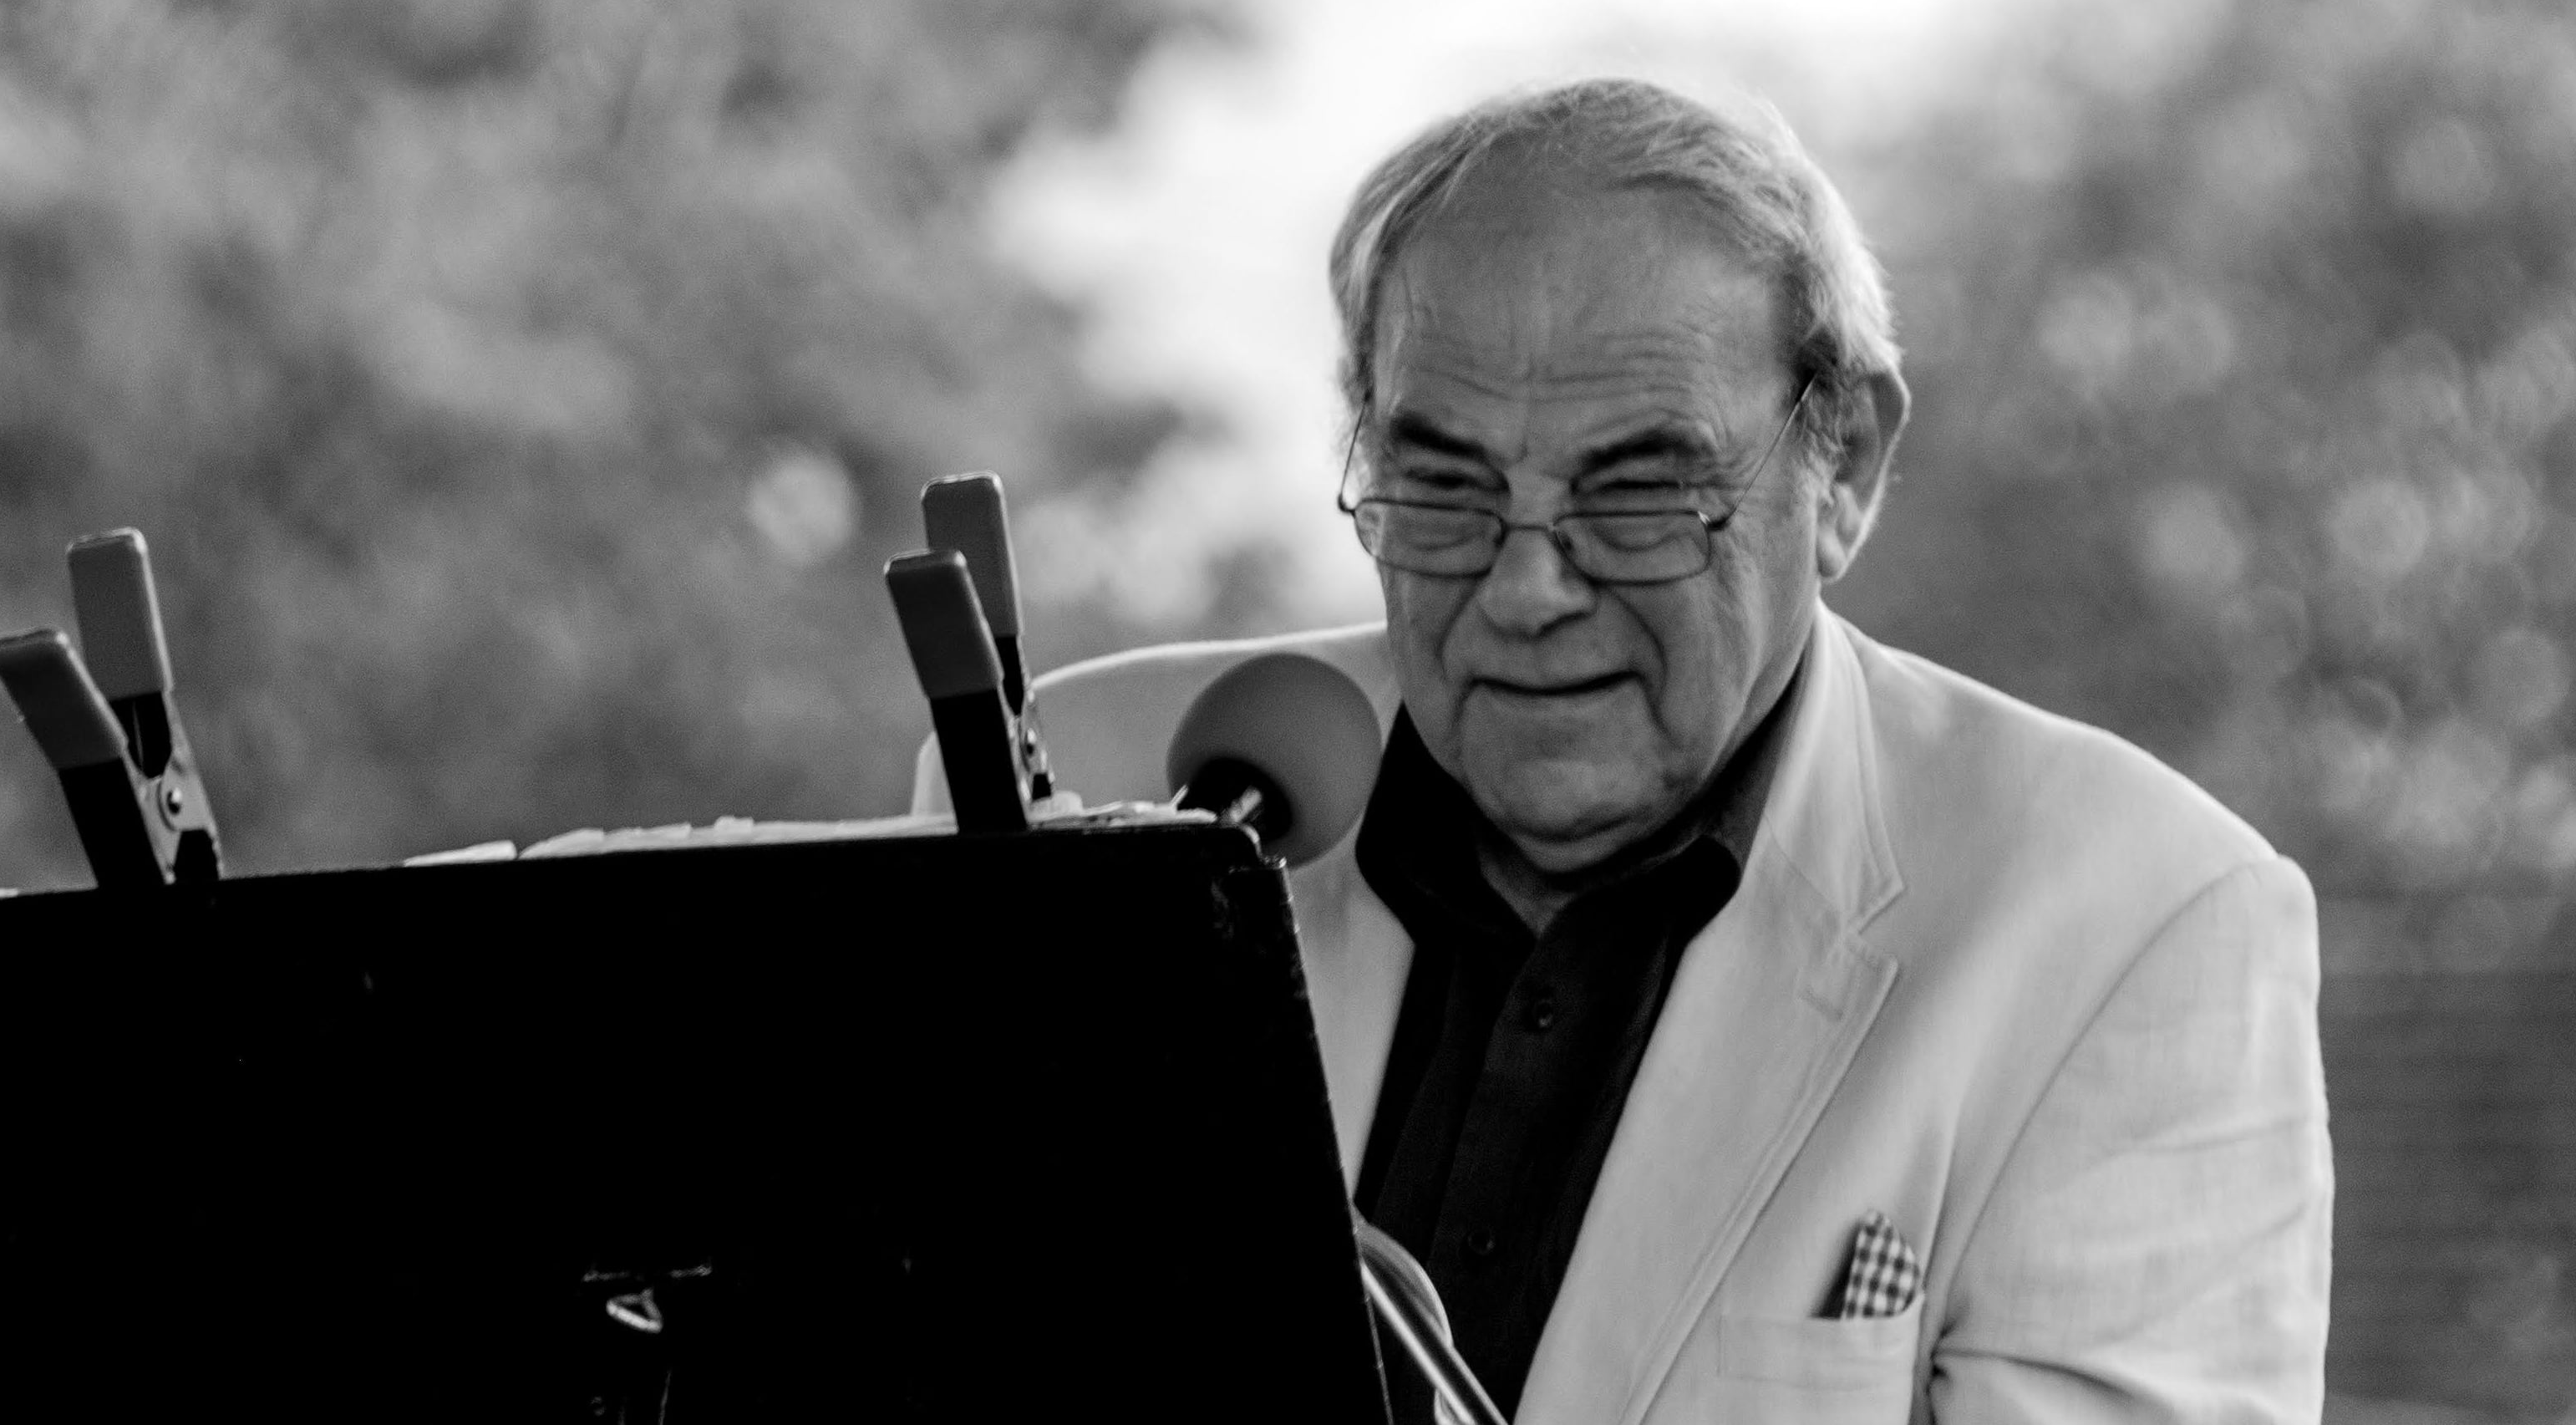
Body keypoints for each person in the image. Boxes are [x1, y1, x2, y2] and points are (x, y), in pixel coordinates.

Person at [928, 78, 2328, 1422]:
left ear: (1841, 467)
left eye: (1643, 493)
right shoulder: (1083, 788)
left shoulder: (2137, 917)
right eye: (1445, 484)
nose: (1528, 588)